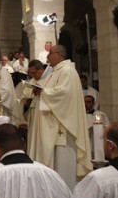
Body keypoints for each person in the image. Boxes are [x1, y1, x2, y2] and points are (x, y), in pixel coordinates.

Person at [30, 45, 92, 189]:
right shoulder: (56, 72)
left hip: (62, 127)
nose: (47, 57)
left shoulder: (68, 71)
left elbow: (64, 94)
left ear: (60, 55)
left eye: (50, 53)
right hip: (53, 124)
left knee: (62, 166)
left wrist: (43, 92)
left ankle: (64, 192)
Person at [85, 95, 110, 159]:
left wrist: (97, 129)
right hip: (85, 142)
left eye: (88, 102)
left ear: (93, 103)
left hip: (97, 142)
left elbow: (107, 128)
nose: (85, 104)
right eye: (84, 102)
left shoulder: (100, 114)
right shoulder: (80, 115)